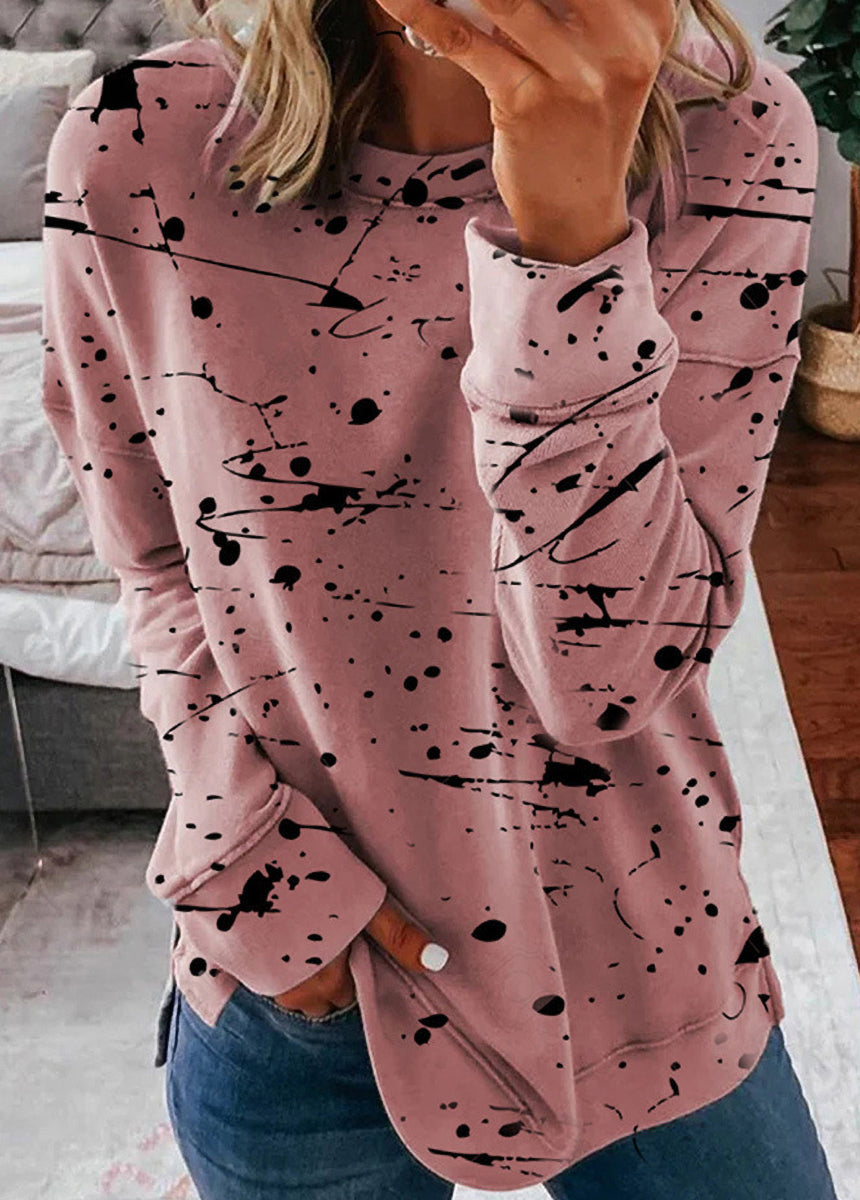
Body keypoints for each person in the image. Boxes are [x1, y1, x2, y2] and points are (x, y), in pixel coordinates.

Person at [40, 0, 838, 1193]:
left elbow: (607, 676)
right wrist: (262, 873)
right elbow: (157, 565)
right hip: (299, 975)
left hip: (639, 957)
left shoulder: (734, 136)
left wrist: (569, 252)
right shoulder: (138, 143)